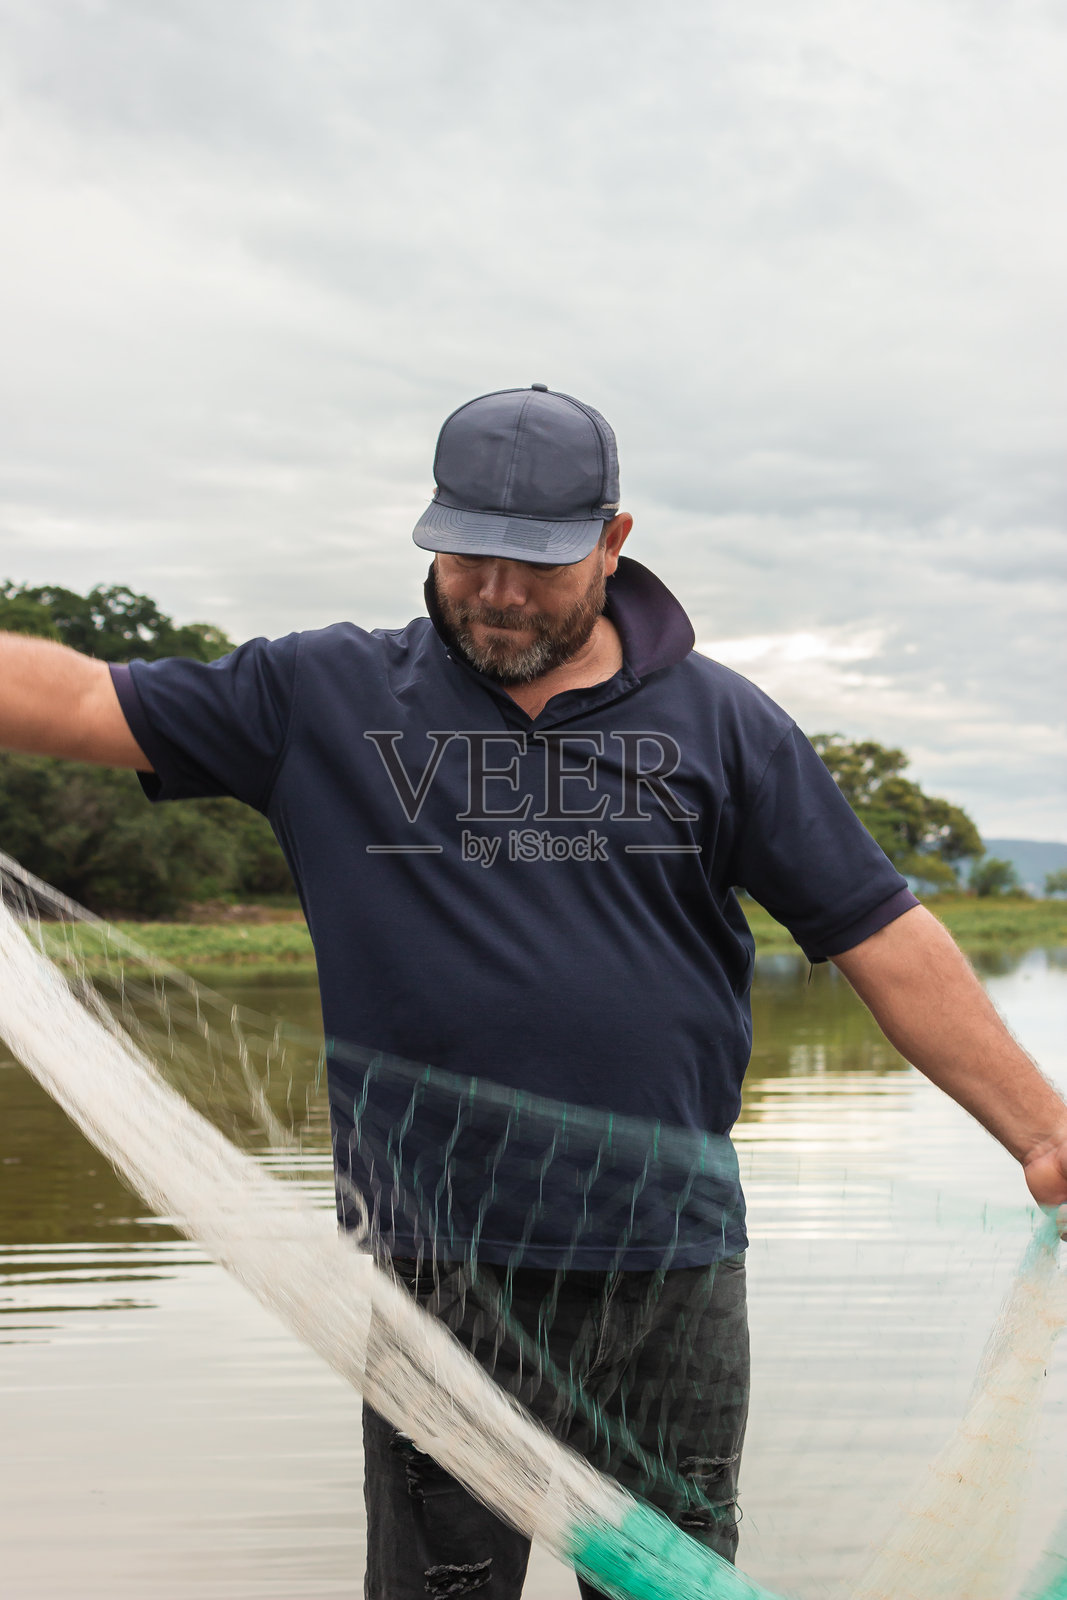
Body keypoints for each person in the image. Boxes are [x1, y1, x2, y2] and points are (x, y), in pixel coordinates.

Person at [1, 384, 1065, 1600]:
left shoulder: (722, 723)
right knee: (441, 1592)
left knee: (671, 1582)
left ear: (612, 542)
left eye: (540, 562)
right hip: (439, 1271)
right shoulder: (320, 696)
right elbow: (86, 700)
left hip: (669, 1260)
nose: (498, 592)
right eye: (470, 555)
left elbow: (879, 933)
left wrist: (1042, 1133)